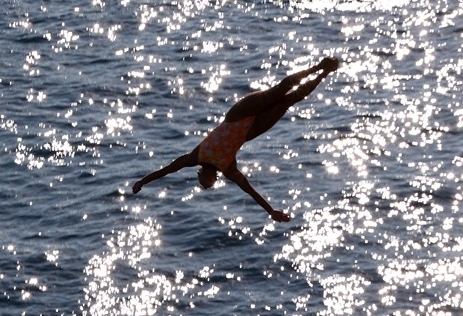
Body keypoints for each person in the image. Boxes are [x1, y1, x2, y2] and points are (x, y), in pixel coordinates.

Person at [132, 57, 340, 221]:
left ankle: (316, 67)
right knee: (288, 101)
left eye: (204, 181)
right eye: (210, 183)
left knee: (277, 92)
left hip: (237, 115)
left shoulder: (195, 157)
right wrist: (271, 211)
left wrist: (142, 181)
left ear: (200, 174)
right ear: (215, 180)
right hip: (249, 131)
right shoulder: (227, 169)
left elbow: (166, 170)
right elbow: (250, 190)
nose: (208, 181)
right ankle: (323, 74)